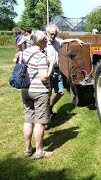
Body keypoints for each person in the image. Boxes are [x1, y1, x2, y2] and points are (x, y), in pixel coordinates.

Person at [19, 30, 54, 159]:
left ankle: (28, 150)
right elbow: (44, 77)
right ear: (40, 41)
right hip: (40, 92)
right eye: (45, 39)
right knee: (40, 122)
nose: (47, 41)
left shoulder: (23, 53)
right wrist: (51, 65)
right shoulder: (40, 56)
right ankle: (39, 151)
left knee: (28, 120)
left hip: (25, 90)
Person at [46, 24, 84, 119]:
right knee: (47, 94)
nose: (53, 36)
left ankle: (50, 107)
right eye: (51, 34)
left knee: (60, 92)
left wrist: (76, 39)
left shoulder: (57, 41)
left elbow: (65, 41)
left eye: (55, 34)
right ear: (47, 33)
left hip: (56, 69)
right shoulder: (44, 43)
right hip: (47, 70)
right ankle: (45, 116)